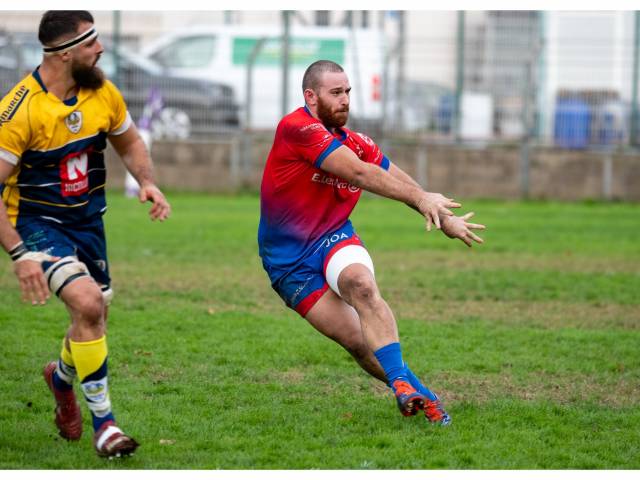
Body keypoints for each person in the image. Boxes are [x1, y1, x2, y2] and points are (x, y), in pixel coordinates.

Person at [258, 60, 485, 425]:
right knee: (358, 344)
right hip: (287, 262)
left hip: (334, 238)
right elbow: (362, 174)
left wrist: (443, 216)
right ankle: (421, 393)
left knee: (361, 286)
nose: (346, 99)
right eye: (336, 93)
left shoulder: (358, 142)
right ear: (310, 97)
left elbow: (400, 180)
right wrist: (422, 200)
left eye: (348, 91)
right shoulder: (296, 128)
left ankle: (402, 387)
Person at [0, 11, 171, 457]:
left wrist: (147, 181)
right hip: (38, 226)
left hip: (89, 225)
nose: (101, 48)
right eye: (91, 41)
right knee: (88, 304)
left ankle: (59, 378)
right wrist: (20, 255)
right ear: (63, 53)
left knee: (92, 320)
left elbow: (130, 142)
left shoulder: (102, 93)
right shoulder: (19, 109)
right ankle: (107, 427)